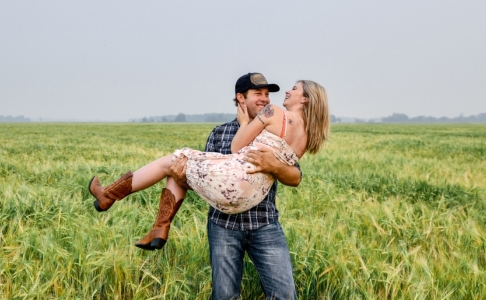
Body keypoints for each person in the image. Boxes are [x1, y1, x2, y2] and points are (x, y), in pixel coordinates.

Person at [88, 74, 329, 255]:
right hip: (250, 195)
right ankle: (158, 228)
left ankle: (109, 196)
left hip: (242, 195)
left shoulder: (273, 112)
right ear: (240, 97)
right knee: (177, 170)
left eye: (293, 89)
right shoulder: (308, 135)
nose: (282, 93)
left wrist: (245, 123)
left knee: (172, 160)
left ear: (305, 99)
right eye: (259, 93)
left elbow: (237, 149)